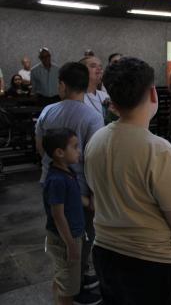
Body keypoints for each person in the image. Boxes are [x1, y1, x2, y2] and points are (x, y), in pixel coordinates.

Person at [84, 57, 171, 304]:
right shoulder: (158, 149)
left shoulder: (96, 140)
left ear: (112, 103)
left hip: (105, 252)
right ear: (153, 93)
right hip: (155, 261)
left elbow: (96, 194)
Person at [35, 62, 104, 304]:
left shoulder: (47, 111)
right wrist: (96, 194)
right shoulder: (93, 116)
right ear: (86, 85)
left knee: (58, 226)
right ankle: (75, 280)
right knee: (81, 236)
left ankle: (72, 278)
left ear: (62, 85)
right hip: (81, 189)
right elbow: (96, 159)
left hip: (50, 180)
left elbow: (40, 147)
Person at [42, 128, 88, 305]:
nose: (79, 151)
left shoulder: (67, 173)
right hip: (65, 239)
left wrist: (88, 203)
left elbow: (72, 198)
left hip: (68, 236)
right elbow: (58, 215)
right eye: (75, 147)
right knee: (68, 286)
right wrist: (71, 245)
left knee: (61, 276)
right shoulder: (57, 180)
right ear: (60, 152)